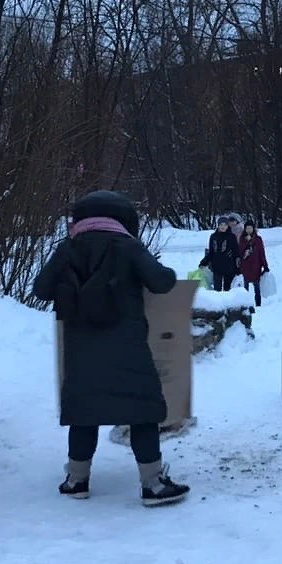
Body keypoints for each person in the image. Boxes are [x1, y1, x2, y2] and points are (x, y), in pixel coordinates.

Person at [33, 190, 190, 506]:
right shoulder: (128, 247)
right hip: (127, 346)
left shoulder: (68, 249)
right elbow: (162, 282)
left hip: (81, 350)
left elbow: (41, 289)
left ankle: (77, 479)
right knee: (141, 409)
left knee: (84, 411)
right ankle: (153, 484)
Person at [199, 217, 240, 291]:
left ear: (228, 226)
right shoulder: (213, 236)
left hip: (229, 267)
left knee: (227, 290)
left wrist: (238, 268)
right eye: (221, 224)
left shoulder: (232, 237)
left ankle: (227, 302)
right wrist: (204, 262)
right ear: (218, 225)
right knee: (217, 290)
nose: (223, 227)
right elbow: (211, 252)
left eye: (225, 225)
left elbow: (236, 252)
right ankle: (217, 302)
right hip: (217, 267)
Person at [238, 221, 270, 307]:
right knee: (245, 288)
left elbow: (261, 253)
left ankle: (258, 305)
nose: (249, 230)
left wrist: (265, 266)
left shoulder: (258, 239)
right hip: (245, 267)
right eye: (247, 228)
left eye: (250, 228)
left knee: (257, 288)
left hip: (256, 266)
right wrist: (246, 245)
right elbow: (240, 253)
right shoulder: (242, 239)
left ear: (253, 229)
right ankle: (246, 305)